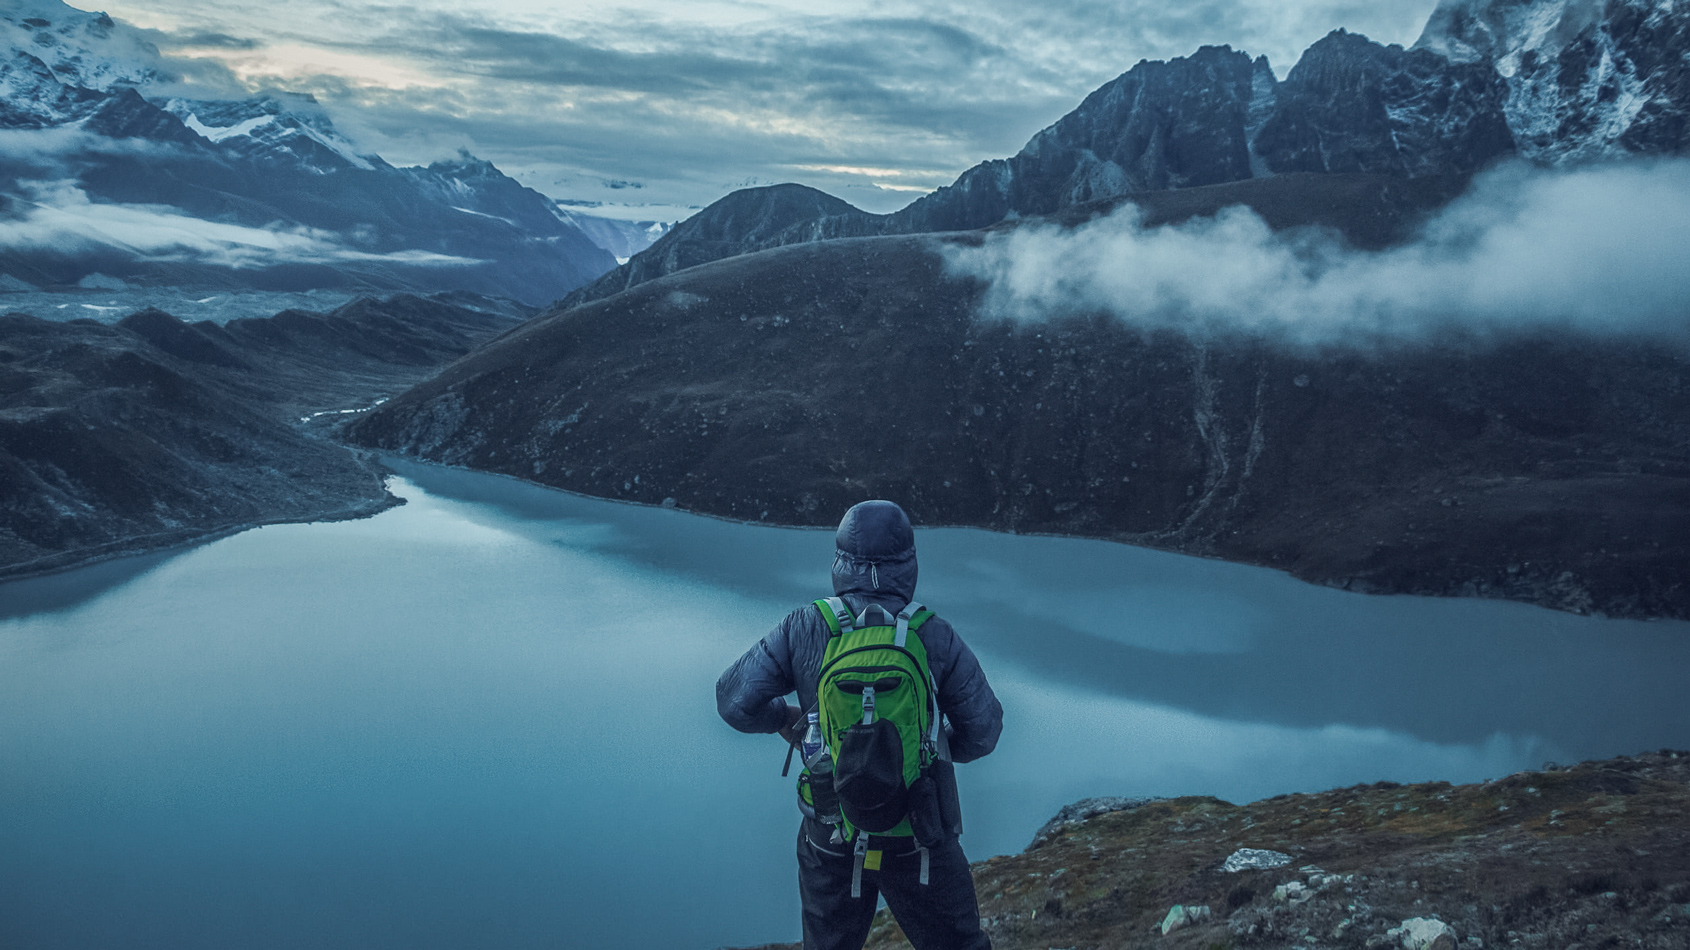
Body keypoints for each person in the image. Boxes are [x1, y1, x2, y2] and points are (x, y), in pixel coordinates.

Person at [716, 499, 1003, 950]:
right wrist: (930, 747)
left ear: (840, 562)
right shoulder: (933, 635)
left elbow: (734, 700)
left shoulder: (805, 626)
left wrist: (785, 720)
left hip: (831, 827)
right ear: (909, 564)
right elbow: (984, 731)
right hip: (918, 828)